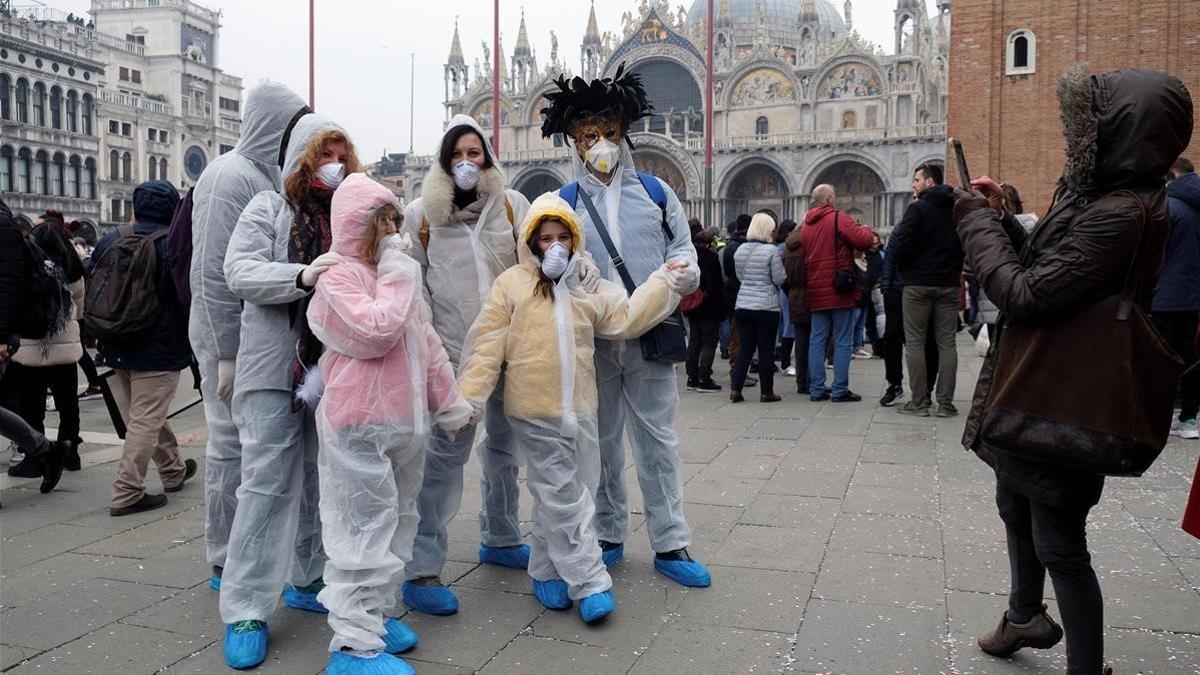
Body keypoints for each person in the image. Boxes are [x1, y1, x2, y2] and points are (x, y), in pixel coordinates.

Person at [955, 65, 1192, 675]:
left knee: (1060, 539)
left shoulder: (1124, 211)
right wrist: (1002, 216)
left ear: (1119, 134)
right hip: (1041, 380)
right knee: (1015, 500)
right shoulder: (1099, 196)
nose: (1071, 140)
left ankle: (1087, 667)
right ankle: (1023, 616)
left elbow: (1028, 294)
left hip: (1067, 392)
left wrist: (977, 227)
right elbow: (1053, 263)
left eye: (1085, 128)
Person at [459, 192, 688, 623]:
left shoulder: (587, 285)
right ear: (532, 240)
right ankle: (590, 580)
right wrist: (468, 399)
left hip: (581, 406)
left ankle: (545, 571)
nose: (556, 245)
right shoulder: (512, 284)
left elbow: (625, 316)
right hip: (534, 407)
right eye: (546, 237)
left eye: (564, 236)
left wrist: (663, 282)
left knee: (570, 490)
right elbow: (487, 344)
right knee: (564, 497)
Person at [539, 64, 710, 587]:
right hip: (593, 342)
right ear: (573, 140)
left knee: (657, 440)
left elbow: (682, 249)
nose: (601, 144)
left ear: (624, 132)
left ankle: (670, 540)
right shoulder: (563, 203)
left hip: (650, 335)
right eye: (589, 136)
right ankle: (609, 533)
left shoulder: (658, 193)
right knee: (602, 442)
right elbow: (547, 258)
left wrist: (684, 273)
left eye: (609, 133)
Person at [307, 174, 467, 675]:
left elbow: (426, 343)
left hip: (404, 423)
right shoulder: (338, 275)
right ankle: (352, 648)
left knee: (397, 526)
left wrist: (450, 402)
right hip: (357, 423)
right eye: (386, 219)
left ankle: (373, 619)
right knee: (359, 533)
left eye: (397, 217)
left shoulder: (395, 273)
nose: (396, 228)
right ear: (361, 224)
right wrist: (400, 273)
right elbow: (375, 330)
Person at [400, 115, 545, 616]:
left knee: (506, 451)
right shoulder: (421, 214)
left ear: (487, 156)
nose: (466, 163)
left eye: (475, 153)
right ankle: (421, 567)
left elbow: (533, 268)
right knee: (443, 463)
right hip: (454, 357)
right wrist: (429, 351)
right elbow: (410, 284)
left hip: (510, 350)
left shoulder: (512, 205)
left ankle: (501, 537)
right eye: (457, 154)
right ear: (444, 160)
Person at [220, 113, 350, 668]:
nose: (334, 163)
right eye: (324, 152)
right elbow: (239, 271)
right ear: (299, 157)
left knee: (325, 478)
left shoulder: (349, 215)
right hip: (274, 367)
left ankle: (309, 575)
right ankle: (246, 606)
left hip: (332, 371)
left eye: (342, 152)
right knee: (268, 482)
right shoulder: (267, 209)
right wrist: (300, 276)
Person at [188, 82, 311, 589]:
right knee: (229, 449)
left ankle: (273, 558)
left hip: (270, 340)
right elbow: (212, 273)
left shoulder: (270, 177)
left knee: (266, 453)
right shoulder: (226, 176)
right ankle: (224, 558)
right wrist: (225, 355)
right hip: (230, 340)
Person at [92, 181, 199, 516]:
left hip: (114, 340)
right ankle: (127, 491)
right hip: (157, 345)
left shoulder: (112, 238)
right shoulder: (173, 243)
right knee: (145, 419)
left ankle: (172, 470)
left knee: (145, 415)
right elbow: (185, 298)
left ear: (134, 208)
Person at [6, 215, 86, 479]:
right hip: (65, 348)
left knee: (32, 405)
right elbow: (79, 309)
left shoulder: (29, 267)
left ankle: (34, 457)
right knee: (68, 403)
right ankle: (71, 451)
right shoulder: (72, 269)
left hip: (31, 347)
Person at [0, 198, 67, 494]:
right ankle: (45, 450)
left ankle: (44, 450)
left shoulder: (3, 227)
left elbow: (10, 283)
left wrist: (2, 335)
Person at [889, 162, 963, 417]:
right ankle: (945, 403)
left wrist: (908, 268)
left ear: (930, 182)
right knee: (947, 344)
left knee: (916, 343)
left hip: (918, 284)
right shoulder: (957, 210)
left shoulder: (917, 208)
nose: (914, 185)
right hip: (948, 284)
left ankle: (919, 402)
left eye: (917, 180)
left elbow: (900, 244)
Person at [800, 184, 876, 402]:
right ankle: (840, 389)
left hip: (815, 289)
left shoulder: (806, 225)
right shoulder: (837, 218)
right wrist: (867, 229)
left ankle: (816, 389)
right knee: (843, 340)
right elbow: (863, 240)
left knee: (817, 340)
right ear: (830, 199)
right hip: (839, 288)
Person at [1153, 157, 1200, 440]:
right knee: (1191, 357)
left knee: (1159, 358)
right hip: (1193, 297)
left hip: (1165, 297)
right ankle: (1189, 418)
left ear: (1171, 175)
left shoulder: (1169, 207)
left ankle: (1155, 418)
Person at [729, 212, 787, 403]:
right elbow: (780, 278)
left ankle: (735, 390)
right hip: (766, 307)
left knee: (745, 349)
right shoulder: (771, 251)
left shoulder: (740, 250)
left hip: (743, 305)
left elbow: (739, 277)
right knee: (766, 351)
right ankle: (766, 392)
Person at [684, 221, 724, 393]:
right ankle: (704, 377)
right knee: (709, 342)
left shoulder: (687, 256)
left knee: (694, 341)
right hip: (708, 306)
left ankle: (692, 377)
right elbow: (716, 286)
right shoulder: (710, 257)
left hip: (692, 305)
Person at [781, 220, 811, 394]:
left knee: (800, 341)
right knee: (816, 339)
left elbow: (783, 279)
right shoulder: (810, 245)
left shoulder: (787, 248)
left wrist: (791, 292)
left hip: (794, 296)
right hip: (812, 296)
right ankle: (812, 380)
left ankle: (801, 382)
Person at [722, 214, 751, 370]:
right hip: (737, 294)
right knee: (737, 335)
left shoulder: (733, 245)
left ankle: (740, 369)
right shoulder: (736, 247)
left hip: (736, 293)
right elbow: (734, 272)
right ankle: (736, 369)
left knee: (740, 335)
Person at [774, 219, 798, 375]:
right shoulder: (786, 248)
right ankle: (785, 362)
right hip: (787, 289)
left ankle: (781, 356)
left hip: (779, 290)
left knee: (783, 324)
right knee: (789, 325)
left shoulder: (777, 247)